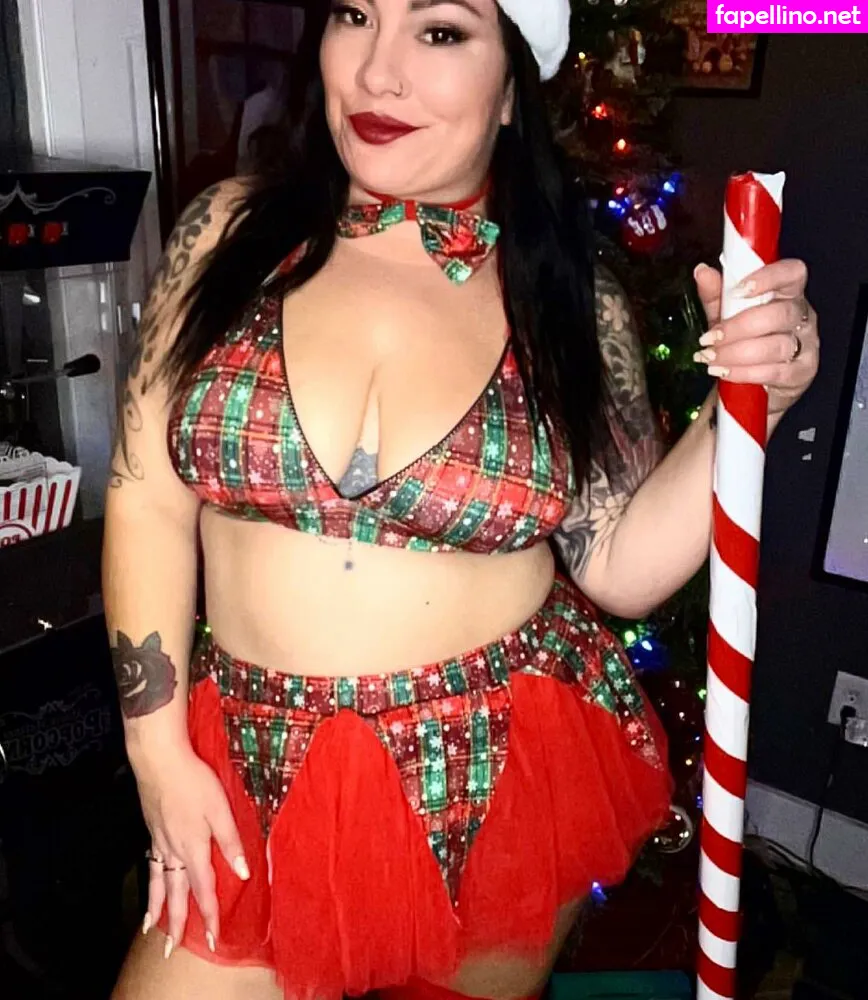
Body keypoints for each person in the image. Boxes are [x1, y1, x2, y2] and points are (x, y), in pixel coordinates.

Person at [104, 1, 819, 999]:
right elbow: (145, 496)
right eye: (356, 14)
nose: (378, 72)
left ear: (514, 83)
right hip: (252, 764)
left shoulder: (570, 296)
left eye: (439, 31)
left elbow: (617, 563)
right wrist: (157, 753)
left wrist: (748, 409)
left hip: (494, 770)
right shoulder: (226, 232)